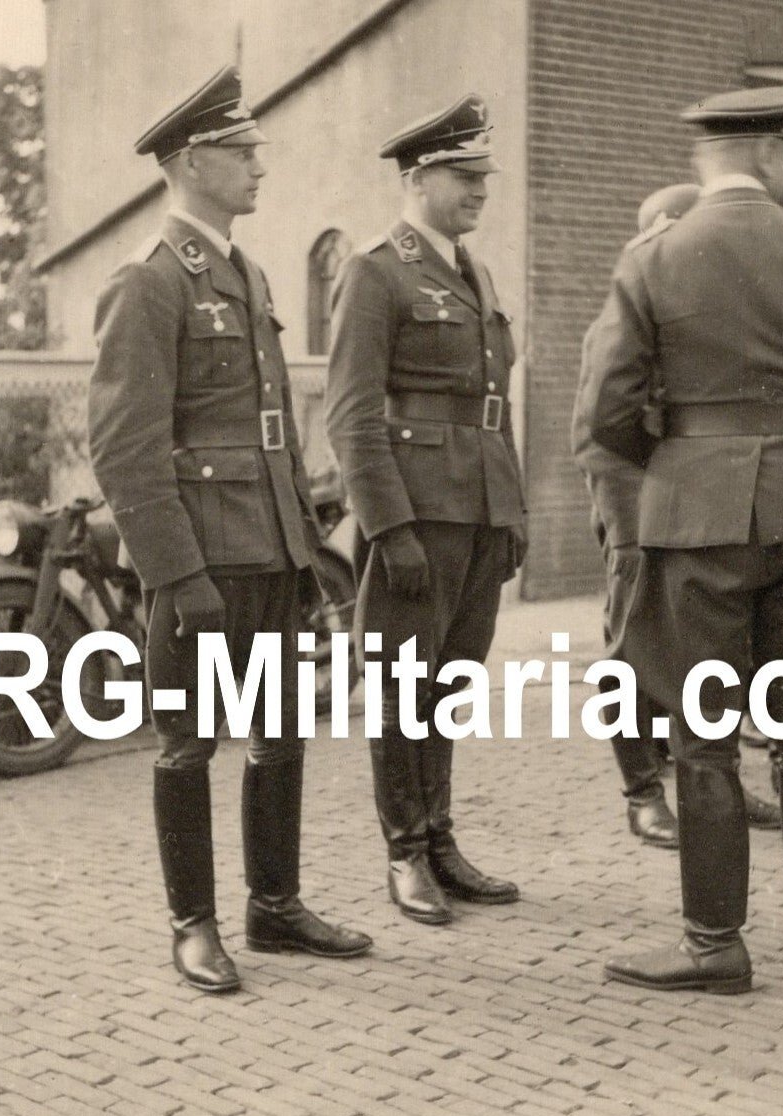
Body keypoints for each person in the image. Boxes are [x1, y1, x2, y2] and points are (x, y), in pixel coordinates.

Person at [577, 86, 783, 993]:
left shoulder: (651, 258)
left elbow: (603, 412)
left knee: (704, 737)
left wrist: (681, 464)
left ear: (711, 158)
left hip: (695, 523)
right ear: (770, 156)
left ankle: (714, 945)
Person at [88, 66, 371, 994]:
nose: (259, 165)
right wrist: (178, 575)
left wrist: (301, 550)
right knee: (188, 745)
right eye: (241, 151)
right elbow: (125, 449)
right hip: (204, 562)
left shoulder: (244, 272)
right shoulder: (149, 280)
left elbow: (271, 431)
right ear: (191, 162)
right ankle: (194, 925)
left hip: (269, 550)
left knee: (280, 733)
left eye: (256, 149)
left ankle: (274, 907)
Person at [325, 94, 527, 925]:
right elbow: (351, 415)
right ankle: (404, 852)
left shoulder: (473, 271)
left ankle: (440, 842)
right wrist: (389, 527)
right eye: (463, 175)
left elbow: (493, 406)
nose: (480, 189)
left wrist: (511, 513)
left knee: (448, 684)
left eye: (484, 175)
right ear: (417, 177)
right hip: (417, 513)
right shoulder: (375, 271)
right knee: (402, 685)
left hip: (478, 511)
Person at [573, 182, 781, 847]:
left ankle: (712, 782)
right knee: (630, 650)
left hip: (691, 506)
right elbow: (598, 430)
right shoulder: (624, 313)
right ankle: (641, 793)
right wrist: (637, 516)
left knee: (705, 649)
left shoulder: (697, 316)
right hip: (637, 503)